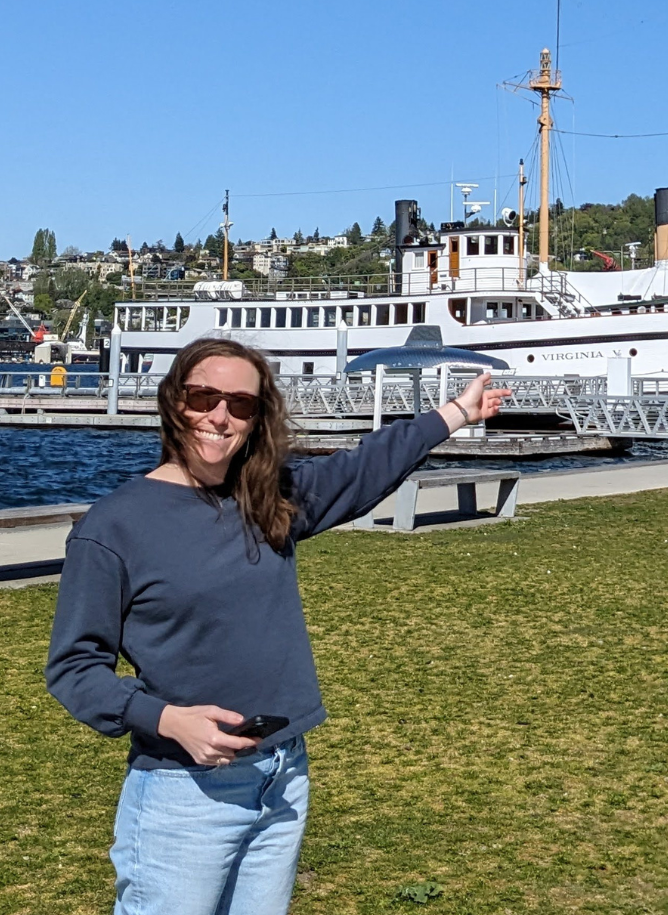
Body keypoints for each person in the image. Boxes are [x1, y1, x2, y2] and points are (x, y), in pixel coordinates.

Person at [45, 338, 509, 915]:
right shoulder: (114, 526)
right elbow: (74, 667)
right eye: (203, 397)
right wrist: (164, 718)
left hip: (283, 771)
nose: (220, 416)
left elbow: (360, 471)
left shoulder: (267, 503)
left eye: (241, 405)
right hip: (184, 790)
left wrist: (456, 413)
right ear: (172, 403)